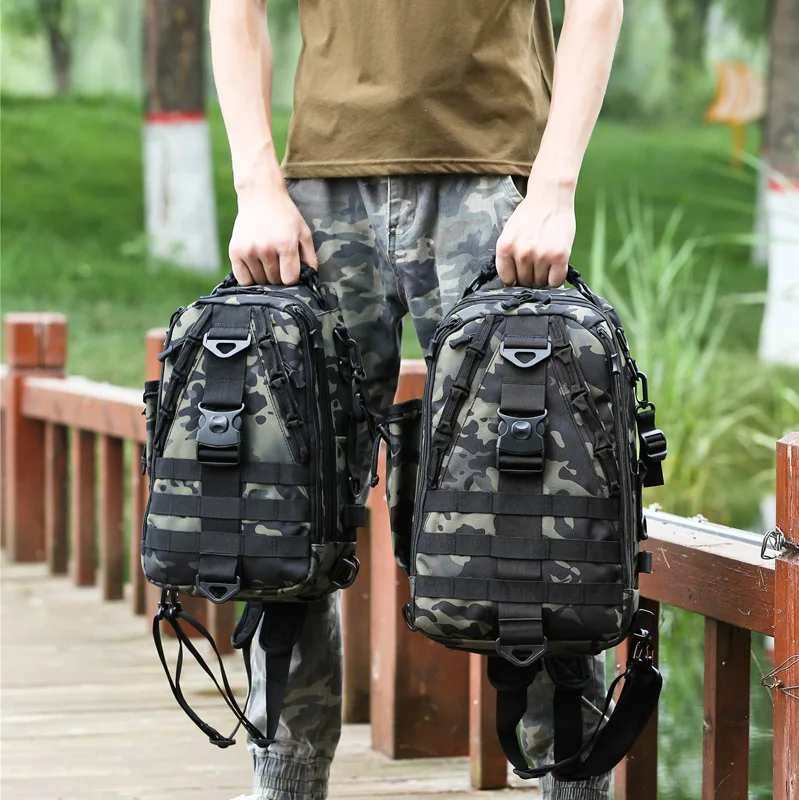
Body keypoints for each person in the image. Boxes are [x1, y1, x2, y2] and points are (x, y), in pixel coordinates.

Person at [209, 1, 623, 798]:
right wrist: (255, 181)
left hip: (491, 187)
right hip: (316, 196)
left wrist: (554, 186)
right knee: (281, 526)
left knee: (536, 524)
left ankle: (569, 786)